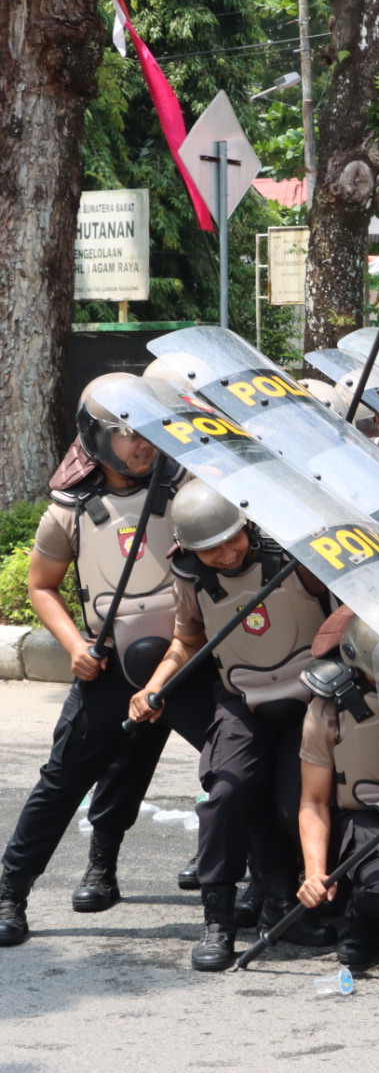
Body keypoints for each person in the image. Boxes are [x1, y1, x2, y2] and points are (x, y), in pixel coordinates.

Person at [0, 377, 213, 947]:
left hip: (189, 662)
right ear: (96, 436)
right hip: (111, 664)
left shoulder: (191, 491)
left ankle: (268, 889)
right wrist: (74, 646)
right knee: (67, 777)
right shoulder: (68, 512)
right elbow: (42, 585)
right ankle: (13, 891)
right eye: (125, 433)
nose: (142, 445)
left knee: (238, 770)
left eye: (148, 430)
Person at [131, 482, 337, 970]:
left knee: (294, 805)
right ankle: (218, 917)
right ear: (188, 548)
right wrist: (153, 687)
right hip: (244, 698)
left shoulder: (292, 557)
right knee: (227, 792)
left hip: (313, 699)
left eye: (231, 540)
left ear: (247, 524)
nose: (224, 554)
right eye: (210, 548)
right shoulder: (189, 577)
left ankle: (291, 908)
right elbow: (187, 639)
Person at [297, 610, 379, 969]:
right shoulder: (329, 707)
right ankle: (362, 915)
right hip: (371, 816)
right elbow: (313, 801)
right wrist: (315, 871)